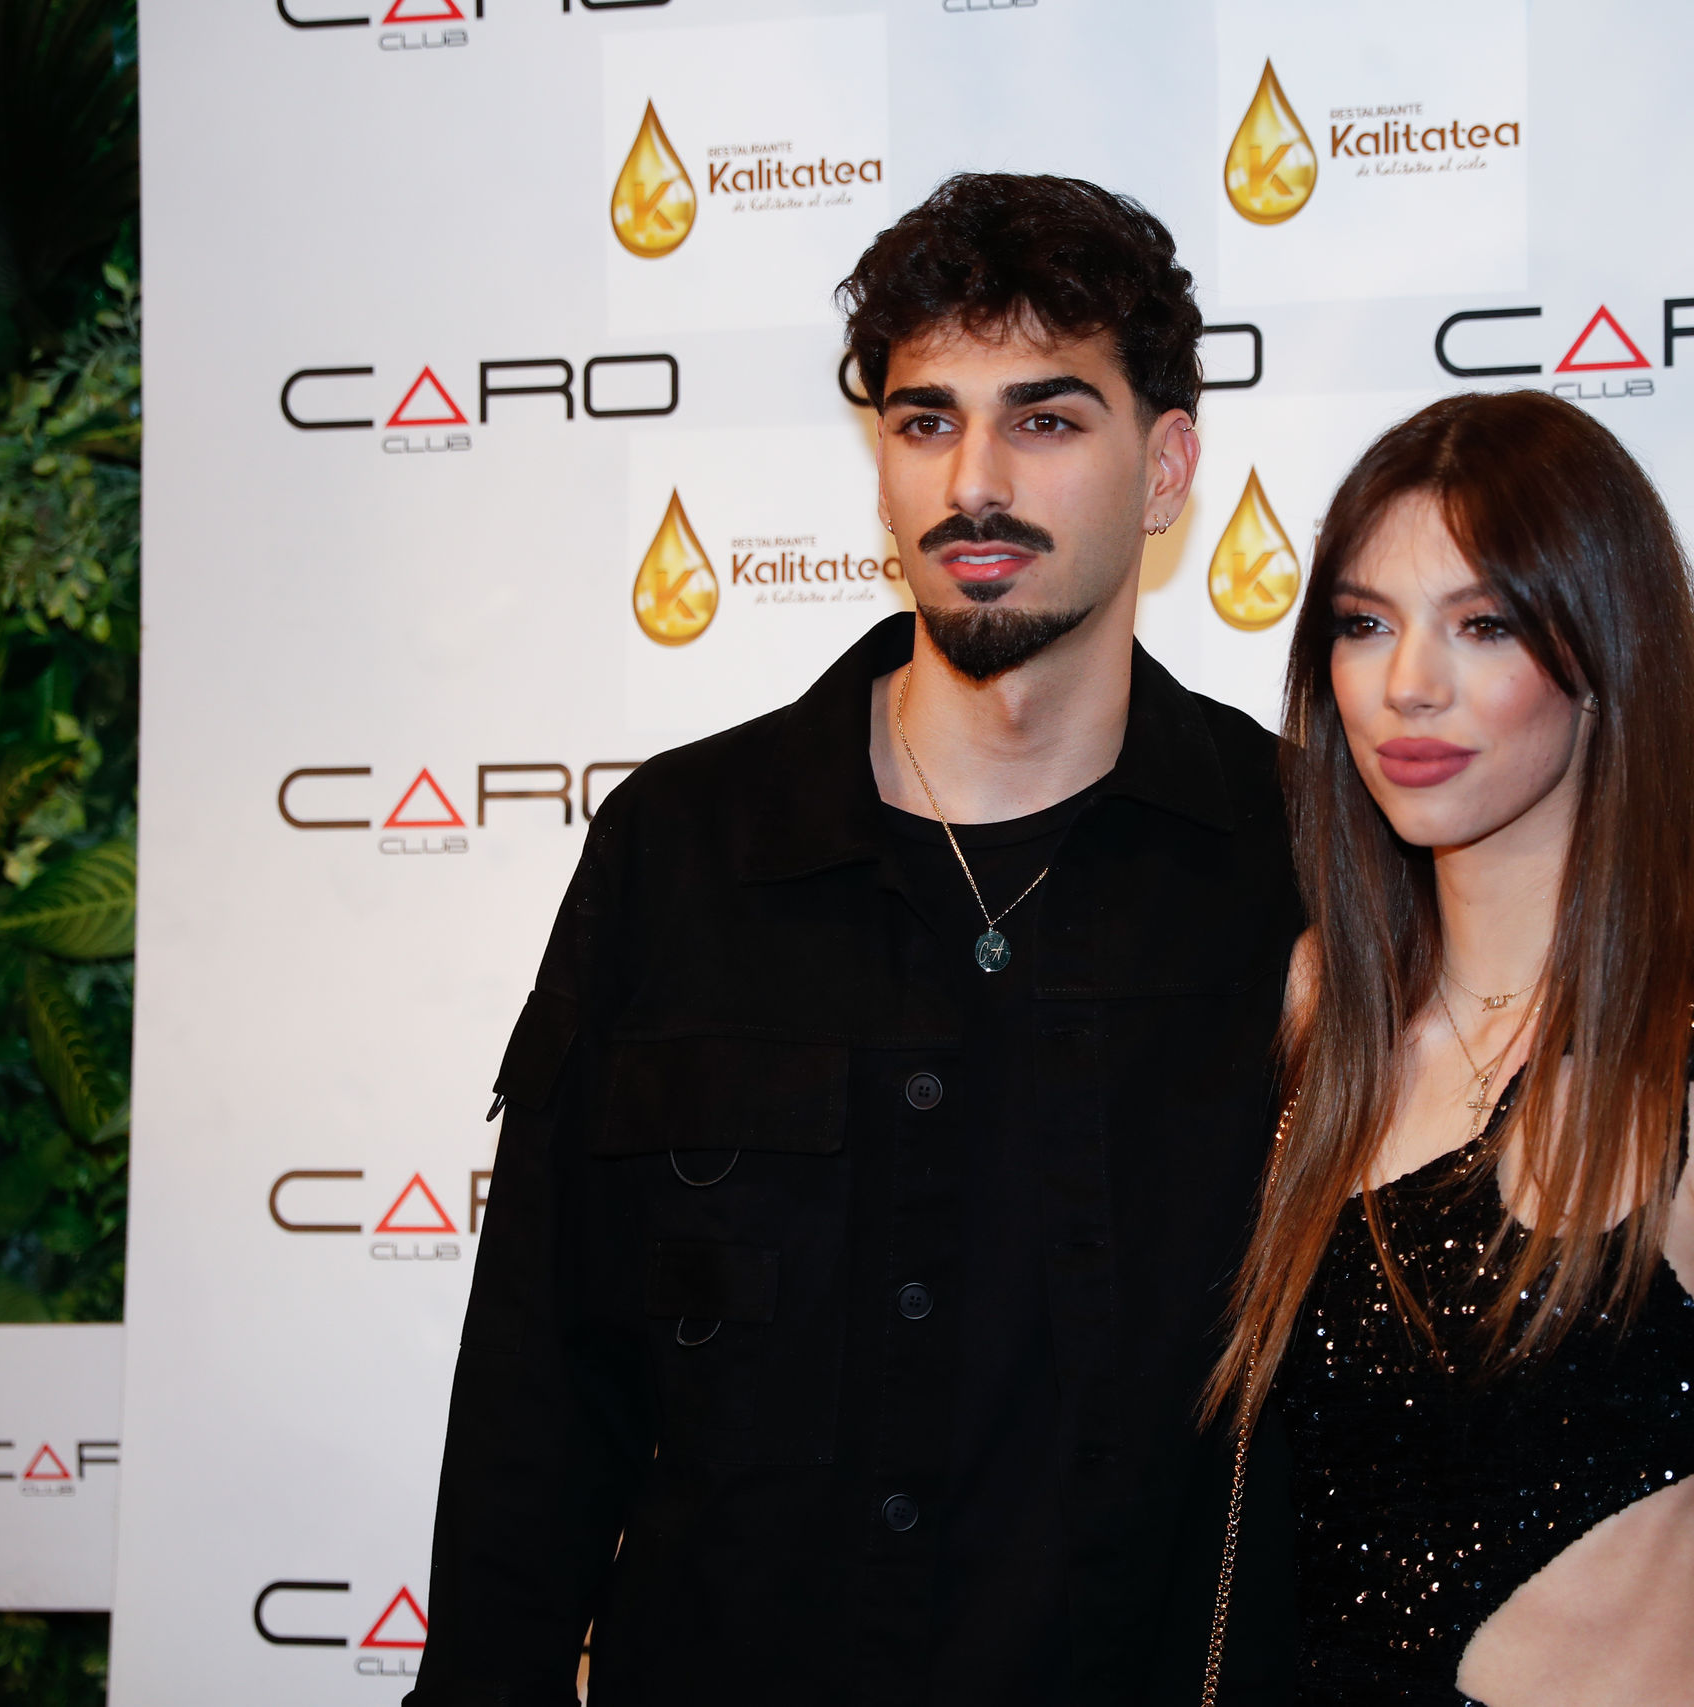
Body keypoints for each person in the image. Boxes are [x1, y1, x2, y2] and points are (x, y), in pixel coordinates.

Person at [405, 175, 1299, 1707]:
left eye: (1047, 420)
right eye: (926, 420)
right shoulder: (682, 851)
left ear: (1167, 470)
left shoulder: (1294, 866)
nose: (976, 483)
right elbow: (541, 1389)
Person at [1203, 391, 1694, 1707]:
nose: (1409, 683)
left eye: (1484, 625)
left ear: (1605, 655)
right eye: (1365, 623)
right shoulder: (1322, 1011)